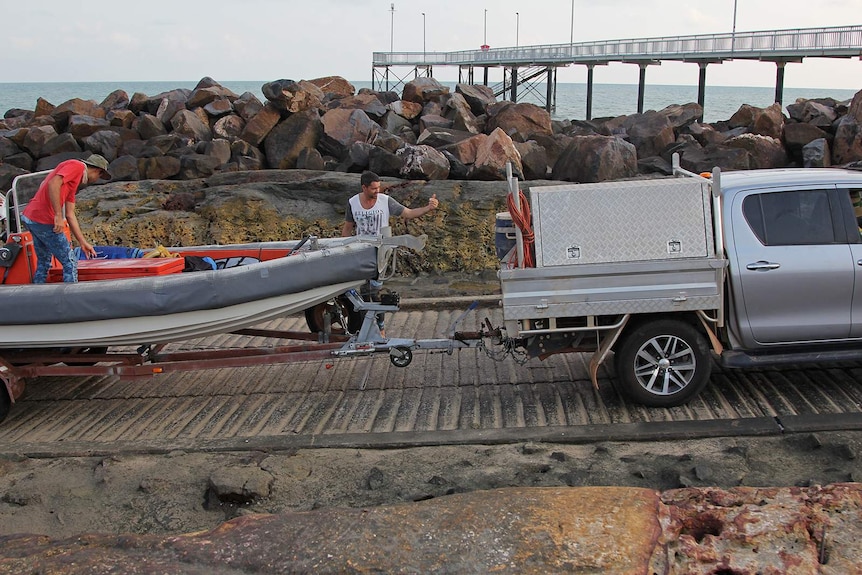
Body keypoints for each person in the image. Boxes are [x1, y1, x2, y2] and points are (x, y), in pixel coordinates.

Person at [342, 171, 439, 337]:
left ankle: (380, 327)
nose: (377, 191)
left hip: (381, 252)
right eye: (373, 188)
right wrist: (343, 251)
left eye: (379, 187)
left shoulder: (385, 201)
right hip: (361, 252)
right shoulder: (353, 203)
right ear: (364, 187)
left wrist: (428, 208)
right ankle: (366, 329)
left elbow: (407, 213)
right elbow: (347, 229)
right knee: (363, 292)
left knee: (375, 292)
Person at [21, 154, 110, 283]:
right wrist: (57, 215)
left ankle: (37, 294)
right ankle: (71, 297)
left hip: (31, 217)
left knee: (44, 261)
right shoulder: (77, 166)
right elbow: (53, 183)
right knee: (70, 261)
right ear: (97, 170)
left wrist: (83, 242)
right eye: (100, 176)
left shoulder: (73, 183)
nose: (97, 179)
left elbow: (70, 214)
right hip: (43, 219)